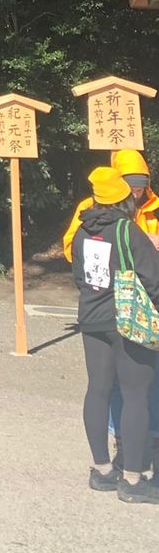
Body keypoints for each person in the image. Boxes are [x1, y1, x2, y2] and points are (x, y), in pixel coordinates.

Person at [71, 165, 159, 503]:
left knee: (98, 390)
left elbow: (79, 276)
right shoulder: (128, 231)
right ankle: (134, 481)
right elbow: (152, 278)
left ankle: (103, 471)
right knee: (136, 395)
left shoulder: (82, 231)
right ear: (123, 200)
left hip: (92, 318)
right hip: (127, 321)